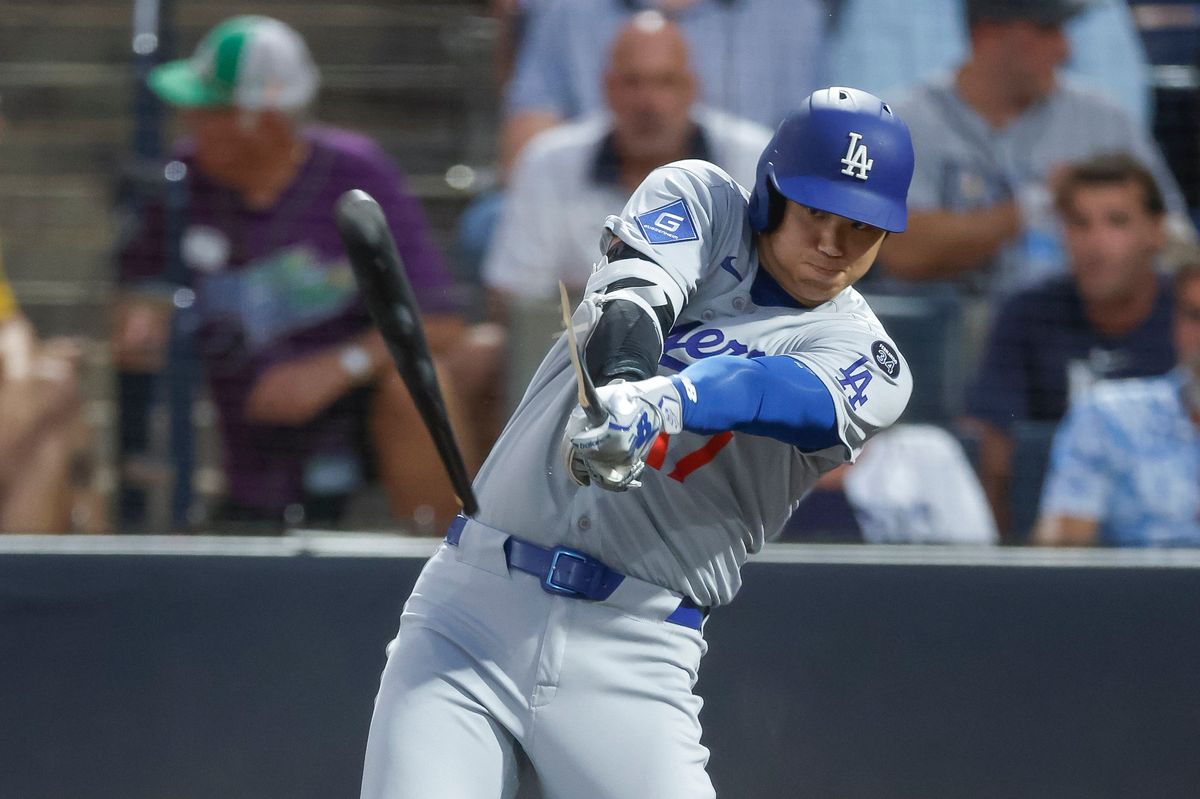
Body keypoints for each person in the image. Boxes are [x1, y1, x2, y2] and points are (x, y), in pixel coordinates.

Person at [360, 87, 915, 798]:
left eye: (861, 227)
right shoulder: (703, 198)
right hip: (471, 612)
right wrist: (623, 382)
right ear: (772, 189)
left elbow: (775, 395)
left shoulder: (869, 355)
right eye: (816, 213)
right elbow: (635, 296)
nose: (833, 245)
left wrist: (665, 402)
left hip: (632, 648)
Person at [115, 16, 475, 532]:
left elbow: (440, 322)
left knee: (420, 381)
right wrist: (141, 320)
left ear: (259, 121)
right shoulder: (181, 183)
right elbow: (137, 299)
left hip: (355, 430)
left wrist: (335, 368)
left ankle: (444, 560)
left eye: (208, 110)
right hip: (244, 445)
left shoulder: (355, 175)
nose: (188, 121)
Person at [879, 0, 1190, 299]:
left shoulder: (1103, 120)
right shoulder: (904, 123)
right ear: (989, 34)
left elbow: (1173, 237)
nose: (1065, 50)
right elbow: (900, 253)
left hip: (1072, 333)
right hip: (931, 338)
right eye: (1047, 30)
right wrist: (1029, 210)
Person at [484, 12, 771, 310]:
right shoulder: (549, 162)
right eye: (632, 82)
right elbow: (517, 299)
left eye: (665, 82)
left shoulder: (752, 157)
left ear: (692, 88)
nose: (648, 103)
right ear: (607, 88)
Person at [964, 153, 1177, 537]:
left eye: (1117, 222)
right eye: (1080, 223)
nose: (1096, 243)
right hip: (1049, 539)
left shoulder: (1188, 315)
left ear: (1155, 231)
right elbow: (992, 450)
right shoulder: (1027, 314)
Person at [498, 0, 826, 174]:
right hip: (597, 197)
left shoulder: (792, 10)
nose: (650, 102)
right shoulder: (568, 8)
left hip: (741, 194)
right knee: (490, 221)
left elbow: (810, 145)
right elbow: (528, 143)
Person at [1034, 253, 1200, 547]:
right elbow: (1059, 561)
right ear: (1176, 322)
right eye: (1195, 316)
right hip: (1136, 593)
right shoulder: (1104, 416)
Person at [823, 0, 1154, 128]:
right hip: (924, 242)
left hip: (1068, 249)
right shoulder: (882, 9)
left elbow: (1119, 139)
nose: (1063, 48)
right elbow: (859, 132)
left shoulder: (1098, 13)